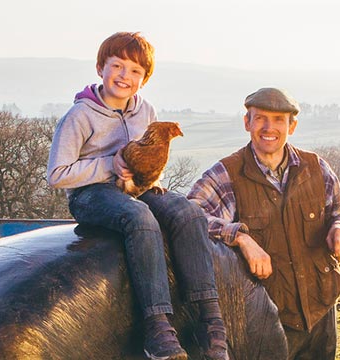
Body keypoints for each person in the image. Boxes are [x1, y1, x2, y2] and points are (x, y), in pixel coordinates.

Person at [45, 32, 228, 360]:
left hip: (136, 190)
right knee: (140, 217)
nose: (124, 76)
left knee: (187, 211)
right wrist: (108, 166)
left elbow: (150, 156)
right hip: (91, 195)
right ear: (101, 67)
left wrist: (151, 180)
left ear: (144, 79)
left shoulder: (146, 111)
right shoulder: (80, 116)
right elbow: (57, 174)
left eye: (134, 71)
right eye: (117, 66)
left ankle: (210, 321)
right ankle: (157, 326)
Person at [188, 87, 340, 359]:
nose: (269, 127)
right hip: (264, 316)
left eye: (279, 119)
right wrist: (240, 237)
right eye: (260, 118)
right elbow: (190, 217)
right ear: (247, 123)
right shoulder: (227, 173)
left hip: (321, 309)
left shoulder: (316, 167)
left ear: (292, 125)